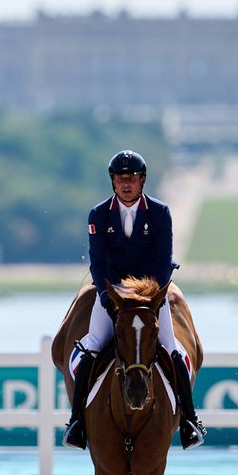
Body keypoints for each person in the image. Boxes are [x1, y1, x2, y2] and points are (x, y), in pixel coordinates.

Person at [62, 150, 207, 451]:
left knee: (173, 350)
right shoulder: (99, 215)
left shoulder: (159, 212)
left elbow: (162, 259)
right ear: (113, 181)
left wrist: (150, 297)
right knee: (89, 347)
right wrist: (107, 296)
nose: (126, 184)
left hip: (150, 298)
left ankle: (190, 420)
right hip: (112, 296)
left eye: (132, 178)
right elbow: (98, 261)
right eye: (120, 179)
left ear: (142, 180)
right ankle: (76, 422)